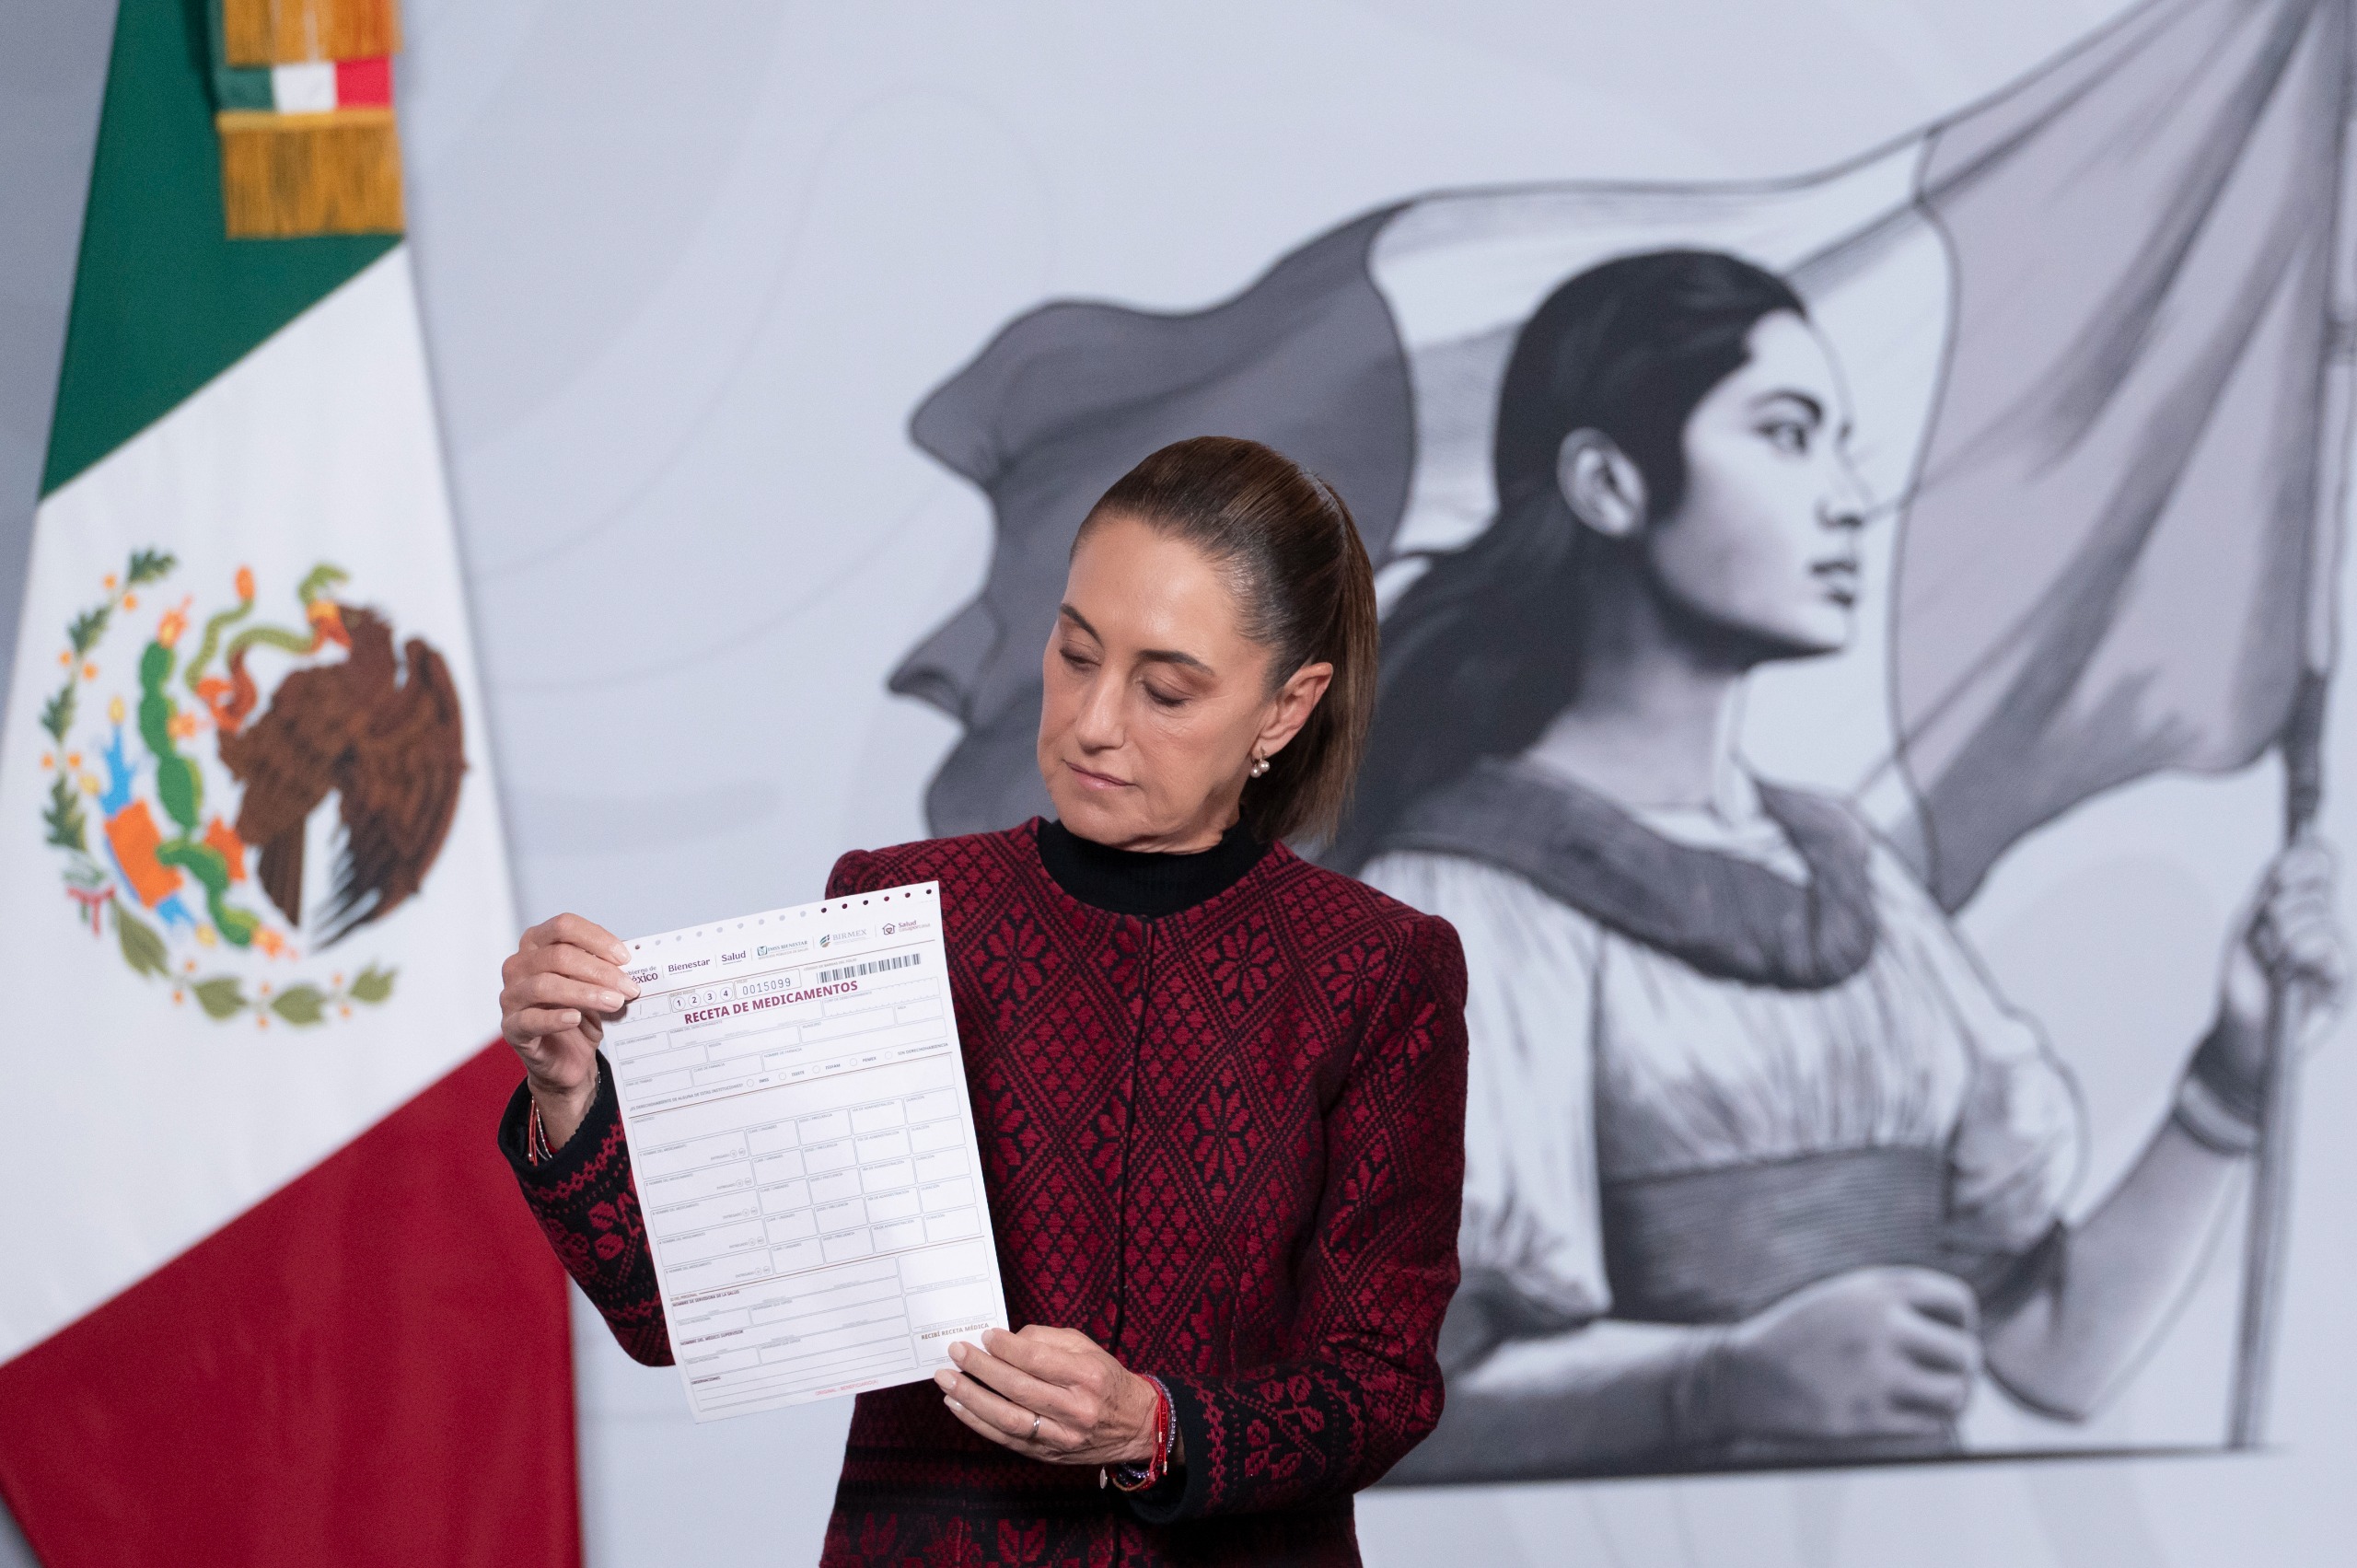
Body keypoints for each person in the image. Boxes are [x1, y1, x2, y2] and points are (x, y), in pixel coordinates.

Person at [1329, 250, 2346, 1479]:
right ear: (1608, 483)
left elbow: (2053, 1352)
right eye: (1787, 434)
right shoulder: (1461, 905)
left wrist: (2234, 1071)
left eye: (1839, 444)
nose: (1849, 497)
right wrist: (1718, 1379)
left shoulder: (1851, 878)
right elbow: (1386, 1403)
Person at [496, 437, 1469, 1563]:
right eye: (1075, 653)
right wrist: (570, 1093)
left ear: (1287, 707)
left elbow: (1380, 1380)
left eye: (1165, 689)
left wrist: (1156, 1427)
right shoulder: (894, 912)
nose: (1094, 719)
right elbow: (683, 1314)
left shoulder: (1375, 968)